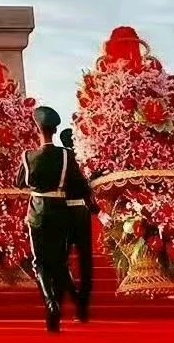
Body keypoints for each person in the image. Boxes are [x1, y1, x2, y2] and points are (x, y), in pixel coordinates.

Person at [17, 106, 92, 333]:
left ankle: (51, 304)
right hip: (60, 211)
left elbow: (20, 182)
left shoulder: (28, 156)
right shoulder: (66, 155)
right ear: (56, 129)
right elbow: (79, 185)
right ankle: (71, 300)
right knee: (59, 261)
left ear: (36, 129)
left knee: (39, 262)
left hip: (37, 212)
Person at [58, 127, 97, 322]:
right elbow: (88, 188)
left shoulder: (60, 160)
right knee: (85, 261)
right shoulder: (83, 160)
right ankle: (82, 306)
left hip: (62, 212)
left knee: (61, 260)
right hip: (81, 211)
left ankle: (75, 296)